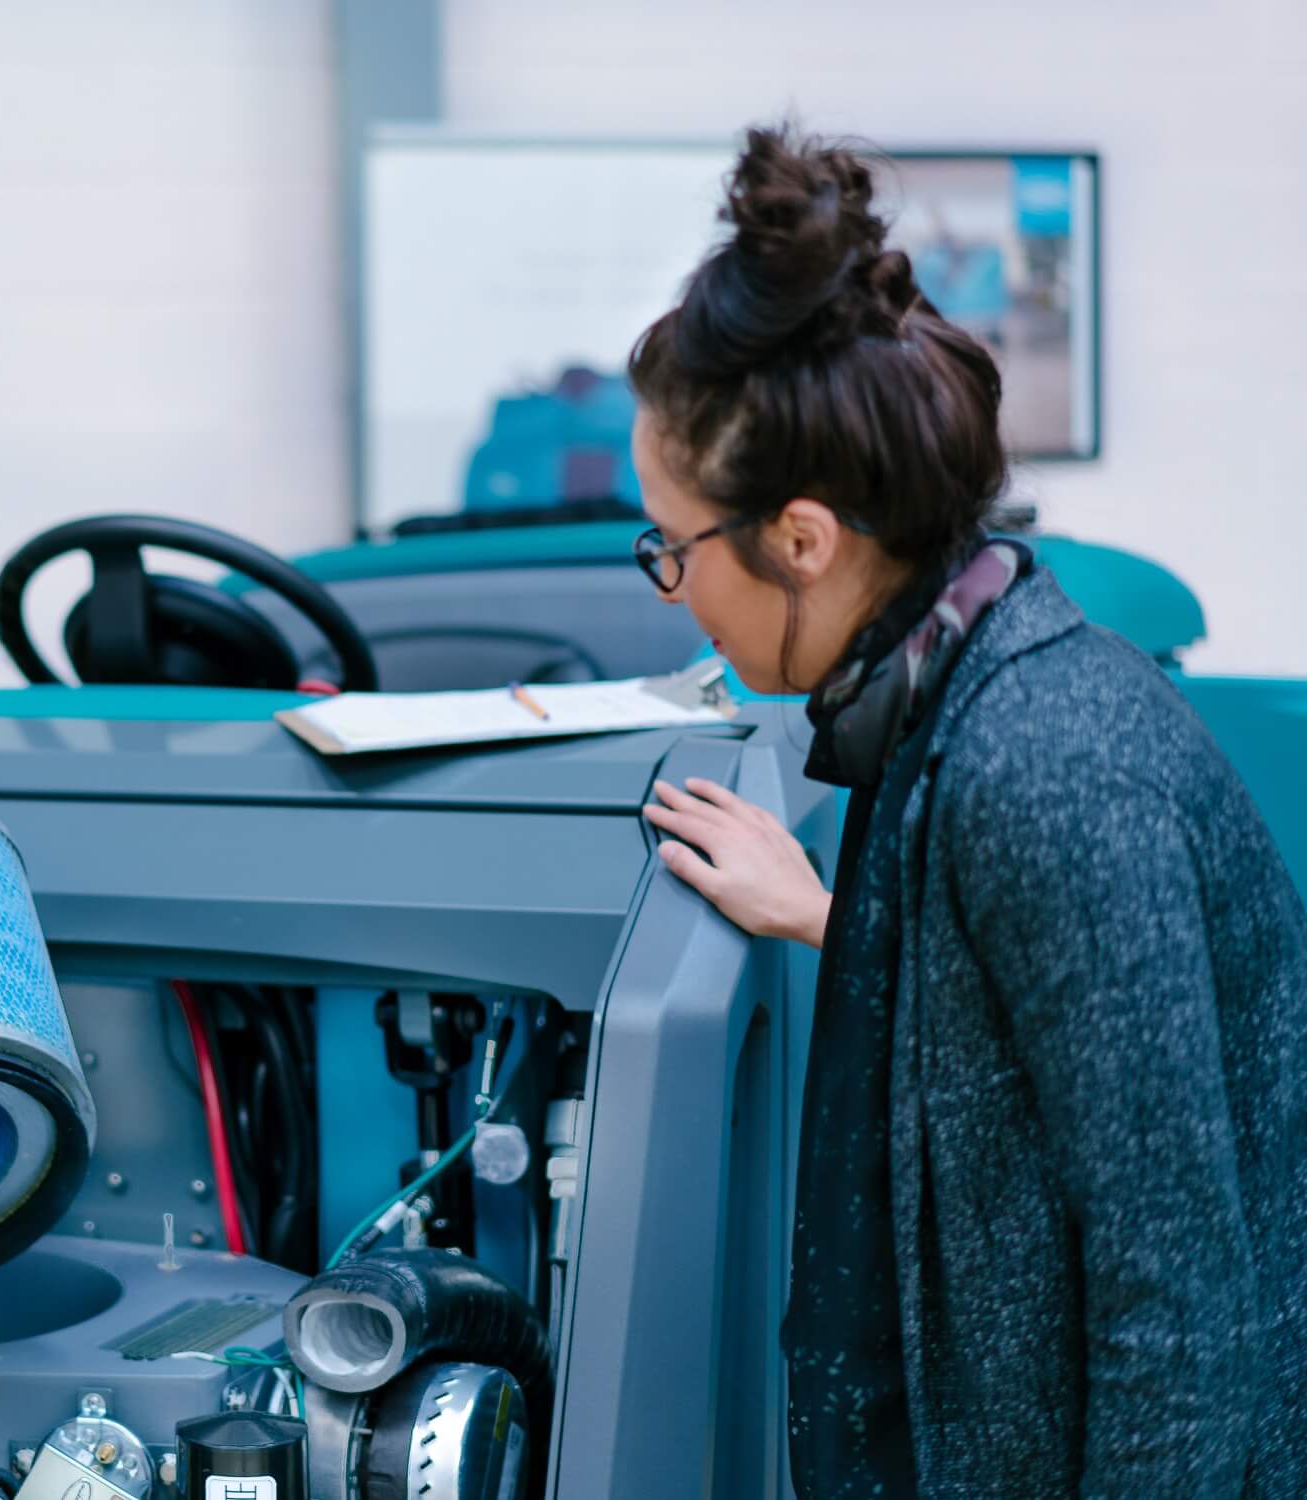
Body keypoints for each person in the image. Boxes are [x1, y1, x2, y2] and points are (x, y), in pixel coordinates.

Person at [632, 127, 1305, 1497]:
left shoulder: (1049, 768)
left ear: (804, 540)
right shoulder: (954, 686)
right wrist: (837, 922)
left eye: (674, 547)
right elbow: (1059, 1027)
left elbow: (1178, 1313)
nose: (673, 587)